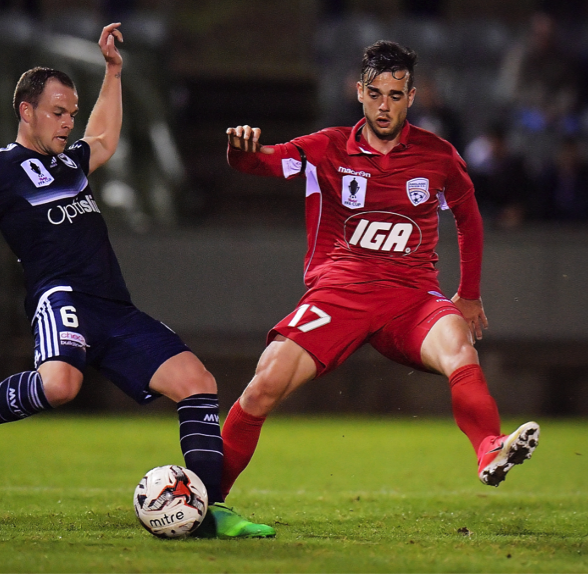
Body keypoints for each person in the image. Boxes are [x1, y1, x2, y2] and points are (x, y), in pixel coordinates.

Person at [0, 23, 273, 539]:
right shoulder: (4, 167)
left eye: (71, 113)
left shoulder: (71, 163)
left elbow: (105, 137)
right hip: (60, 298)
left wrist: (113, 71)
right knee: (60, 385)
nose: (68, 123)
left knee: (198, 384)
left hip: (114, 306)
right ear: (25, 111)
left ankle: (209, 509)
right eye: (58, 112)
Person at [221, 41, 540, 507]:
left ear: (412, 96)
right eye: (375, 93)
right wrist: (238, 149)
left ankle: (489, 447)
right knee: (265, 381)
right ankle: (208, 495)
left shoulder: (439, 156)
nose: (384, 105)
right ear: (359, 93)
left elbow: (470, 219)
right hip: (339, 294)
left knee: (458, 344)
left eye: (395, 94)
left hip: (411, 297)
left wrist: (468, 295)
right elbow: (259, 161)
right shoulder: (326, 148)